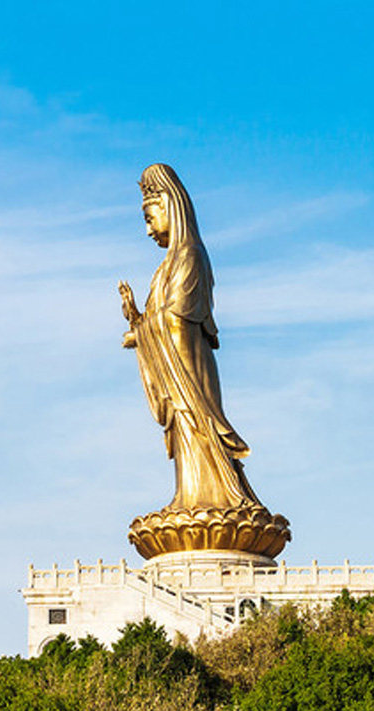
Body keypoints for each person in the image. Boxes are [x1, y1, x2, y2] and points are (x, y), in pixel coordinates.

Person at [119, 163, 260, 511]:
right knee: (185, 436)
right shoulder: (165, 267)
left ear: (170, 207)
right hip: (174, 374)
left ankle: (213, 498)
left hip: (190, 373)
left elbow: (178, 319)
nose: (149, 230)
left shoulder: (190, 256)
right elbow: (162, 318)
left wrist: (141, 333)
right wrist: (138, 320)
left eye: (151, 218)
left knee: (198, 430)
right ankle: (190, 496)